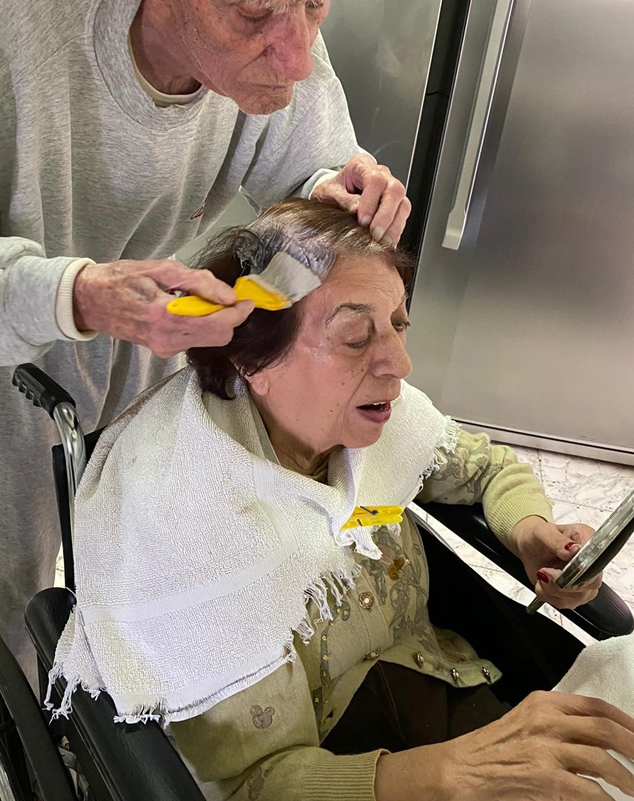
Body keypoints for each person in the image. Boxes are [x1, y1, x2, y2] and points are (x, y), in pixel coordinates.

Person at [0, 0, 409, 679]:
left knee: (130, 586)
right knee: (8, 608)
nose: (294, 56)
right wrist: (78, 295)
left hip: (130, 353)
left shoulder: (279, 12)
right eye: (254, 15)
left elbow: (309, 163)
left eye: (318, 4)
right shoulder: (15, 16)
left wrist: (337, 193)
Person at [50, 199, 634, 801]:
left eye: (399, 324)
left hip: (439, 682)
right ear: (254, 359)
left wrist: (531, 531)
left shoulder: (377, 418)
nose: (400, 364)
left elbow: (486, 468)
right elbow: (248, 787)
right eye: (356, 338)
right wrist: (453, 773)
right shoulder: (195, 528)